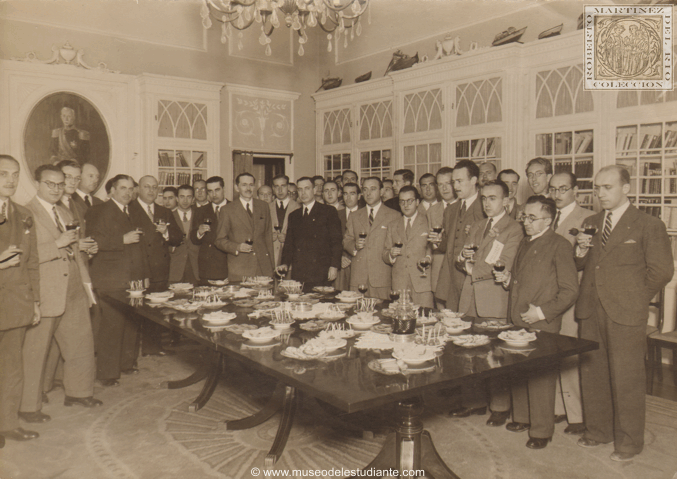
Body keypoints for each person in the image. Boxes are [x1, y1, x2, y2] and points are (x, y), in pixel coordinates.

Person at [575, 165, 673, 461]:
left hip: (626, 314)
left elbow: (662, 272)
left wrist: (634, 299)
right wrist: (579, 251)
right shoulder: (591, 222)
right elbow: (582, 265)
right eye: (597, 188)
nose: (601, 193)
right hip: (591, 309)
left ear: (626, 188)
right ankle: (598, 432)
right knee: (593, 375)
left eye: (608, 187)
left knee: (627, 379)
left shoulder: (647, 224)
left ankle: (630, 442)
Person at [495, 196, 579, 450]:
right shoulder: (524, 242)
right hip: (518, 319)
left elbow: (569, 290)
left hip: (541, 323)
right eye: (524, 217)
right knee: (519, 372)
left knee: (541, 376)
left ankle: (542, 430)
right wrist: (508, 280)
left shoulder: (560, 245)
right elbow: (522, 281)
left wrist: (541, 312)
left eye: (532, 218)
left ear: (549, 219)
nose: (526, 222)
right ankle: (522, 417)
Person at [20, 165, 101, 424]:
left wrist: (87, 286)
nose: (55, 189)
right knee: (35, 352)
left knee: (80, 344)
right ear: (37, 183)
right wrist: (57, 244)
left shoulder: (65, 211)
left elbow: (76, 252)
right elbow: (23, 256)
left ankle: (79, 393)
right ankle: (28, 406)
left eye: (59, 184)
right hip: (45, 291)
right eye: (49, 184)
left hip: (74, 288)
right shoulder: (25, 213)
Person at [452, 180, 523, 424]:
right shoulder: (478, 225)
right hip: (470, 296)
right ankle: (474, 402)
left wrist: (471, 267)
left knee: (495, 355)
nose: (487, 203)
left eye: (493, 198)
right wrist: (463, 259)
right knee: (469, 351)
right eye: (483, 198)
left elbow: (505, 260)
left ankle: (500, 407)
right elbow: (460, 255)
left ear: (506, 200)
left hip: (493, 297)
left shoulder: (514, 228)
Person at [85, 174, 149, 387]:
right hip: (111, 278)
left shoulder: (130, 211)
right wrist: (122, 239)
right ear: (111, 190)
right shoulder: (99, 210)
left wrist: (142, 276)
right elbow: (93, 240)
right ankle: (107, 374)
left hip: (131, 278)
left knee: (130, 323)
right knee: (112, 326)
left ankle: (126, 364)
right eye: (123, 188)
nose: (128, 192)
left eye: (131, 189)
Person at [548, 172, 594, 435]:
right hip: (547, 295)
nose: (557, 194)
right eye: (553, 189)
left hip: (571, 294)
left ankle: (576, 415)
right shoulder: (547, 216)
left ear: (575, 190)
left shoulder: (586, 217)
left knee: (569, 352)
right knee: (551, 350)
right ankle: (557, 408)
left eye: (563, 189)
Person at [0, 155, 41, 444]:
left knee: (12, 367)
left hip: (15, 302)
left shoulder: (24, 213)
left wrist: (36, 302)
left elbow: (33, 263)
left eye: (15, 175)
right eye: (3, 174)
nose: (11, 180)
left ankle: (8, 424)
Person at [129, 176, 182, 358]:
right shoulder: (129, 208)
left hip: (160, 267)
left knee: (157, 307)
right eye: (147, 187)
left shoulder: (164, 211)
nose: (151, 191)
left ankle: (153, 347)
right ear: (138, 189)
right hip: (138, 266)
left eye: (154, 187)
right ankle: (134, 351)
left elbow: (178, 237)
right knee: (137, 310)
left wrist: (166, 232)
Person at [431, 160, 486, 310]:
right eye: (454, 182)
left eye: (460, 181)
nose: (455, 187)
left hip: (472, 280)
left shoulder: (485, 207)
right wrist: (437, 243)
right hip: (451, 280)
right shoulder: (451, 210)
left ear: (474, 180)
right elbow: (448, 244)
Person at [278, 177, 342, 289]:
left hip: (321, 271)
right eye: (300, 189)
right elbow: (289, 244)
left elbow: (336, 241)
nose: (303, 193)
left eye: (307, 188)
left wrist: (334, 266)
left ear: (314, 190)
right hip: (299, 271)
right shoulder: (294, 215)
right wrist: (285, 263)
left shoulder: (328, 211)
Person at [344, 177, 401, 300]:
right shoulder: (354, 216)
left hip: (382, 278)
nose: (368, 193)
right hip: (358, 278)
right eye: (365, 189)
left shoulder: (394, 215)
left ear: (381, 192)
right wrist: (354, 245)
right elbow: (347, 239)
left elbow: (396, 244)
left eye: (373, 189)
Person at [215, 173, 274, 281]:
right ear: (237, 187)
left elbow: (268, 238)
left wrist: (271, 267)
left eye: (251, 185)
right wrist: (237, 247)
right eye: (244, 185)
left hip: (263, 269)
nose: (248, 188)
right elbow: (219, 240)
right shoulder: (227, 210)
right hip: (240, 269)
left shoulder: (263, 206)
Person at [382, 186, 433, 307]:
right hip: (400, 284)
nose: (406, 205)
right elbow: (384, 253)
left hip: (422, 282)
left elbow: (433, 248)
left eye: (410, 201)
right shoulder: (393, 225)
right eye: (402, 201)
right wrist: (390, 254)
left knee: (424, 318)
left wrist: (428, 258)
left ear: (417, 202)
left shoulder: (428, 221)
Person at [190, 176, 229, 283]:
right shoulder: (201, 210)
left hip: (230, 264)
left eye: (217, 190)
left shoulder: (234, 207)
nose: (214, 194)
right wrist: (199, 232)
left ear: (223, 189)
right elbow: (193, 238)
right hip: (208, 266)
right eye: (210, 191)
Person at [426, 167, 456, 304]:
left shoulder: (463, 208)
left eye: (448, 183)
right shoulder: (432, 210)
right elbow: (428, 243)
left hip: (456, 268)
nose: (444, 188)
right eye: (440, 184)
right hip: (438, 267)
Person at [169, 185, 200, 284]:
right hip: (174, 268)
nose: (185, 200)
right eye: (182, 197)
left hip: (196, 268)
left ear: (193, 199)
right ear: (177, 198)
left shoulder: (200, 215)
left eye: (189, 197)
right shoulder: (168, 216)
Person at [335, 182, 360, 291]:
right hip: (341, 264)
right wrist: (339, 257)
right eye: (345, 194)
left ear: (359, 196)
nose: (348, 197)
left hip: (359, 264)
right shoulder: (335, 214)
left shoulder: (366, 214)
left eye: (352, 194)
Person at [269, 175, 299, 266]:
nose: (280, 190)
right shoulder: (266, 208)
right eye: (276, 186)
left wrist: (288, 238)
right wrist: (269, 237)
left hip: (292, 260)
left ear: (288, 187)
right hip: (272, 259)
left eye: (283, 186)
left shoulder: (298, 208)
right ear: (273, 188)